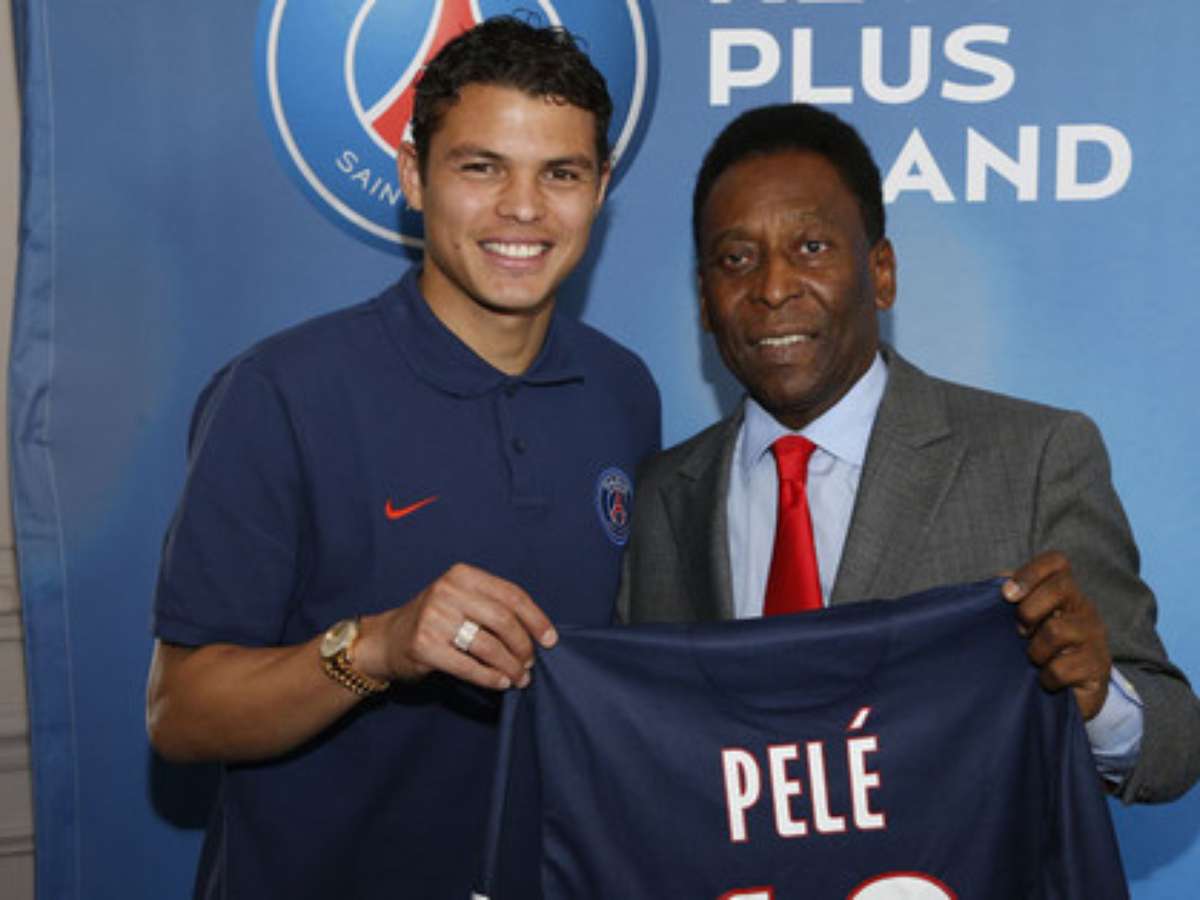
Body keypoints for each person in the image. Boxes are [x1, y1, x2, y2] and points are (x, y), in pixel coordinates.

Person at [146, 17, 660, 899]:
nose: (524, 208)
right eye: (481, 167)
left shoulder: (623, 390)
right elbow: (180, 712)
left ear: (601, 187)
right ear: (414, 177)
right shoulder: (282, 392)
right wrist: (377, 646)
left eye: (561, 173)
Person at [616, 102, 1200, 805]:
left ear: (882, 273)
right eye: (736, 259)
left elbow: (1174, 747)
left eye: (811, 247)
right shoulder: (661, 496)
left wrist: (1101, 702)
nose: (772, 288)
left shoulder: (1036, 458)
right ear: (706, 301)